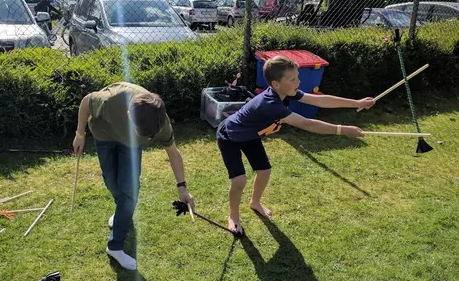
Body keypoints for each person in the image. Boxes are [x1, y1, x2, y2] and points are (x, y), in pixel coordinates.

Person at [216, 56, 376, 234]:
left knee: (264, 171)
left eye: (297, 76)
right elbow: (308, 124)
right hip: (230, 136)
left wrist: (357, 103)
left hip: (250, 135)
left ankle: (255, 203)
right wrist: (342, 130)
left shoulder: (286, 92)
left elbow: (320, 100)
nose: (298, 81)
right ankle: (234, 216)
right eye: (292, 79)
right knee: (239, 180)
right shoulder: (271, 104)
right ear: (276, 84)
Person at [73, 82, 195, 271]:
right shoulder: (111, 100)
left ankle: (115, 246)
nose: (146, 139)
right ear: (129, 115)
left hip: (130, 145)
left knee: (129, 191)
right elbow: (87, 101)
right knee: (112, 183)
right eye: (142, 133)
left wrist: (182, 188)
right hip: (104, 135)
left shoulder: (159, 121)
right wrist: (80, 134)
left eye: (149, 136)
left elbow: (173, 152)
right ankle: (123, 211)